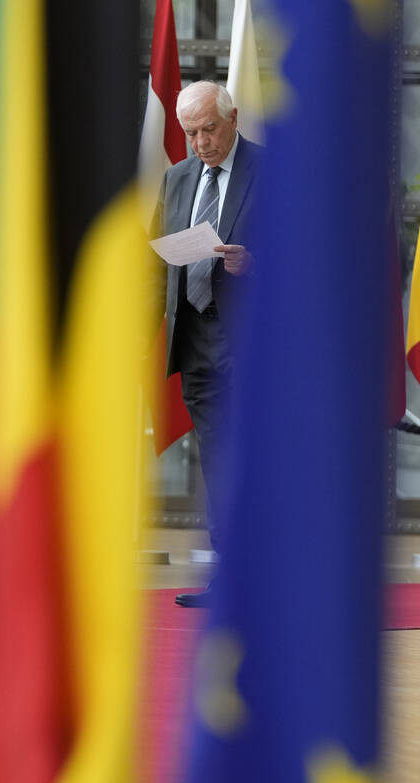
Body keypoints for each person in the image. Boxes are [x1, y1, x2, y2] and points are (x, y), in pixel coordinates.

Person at [152, 80, 264, 608]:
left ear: (234, 118)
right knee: (217, 462)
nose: (200, 143)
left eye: (209, 129)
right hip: (195, 339)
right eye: (190, 133)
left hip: (253, 345)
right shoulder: (176, 179)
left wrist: (255, 264)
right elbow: (160, 265)